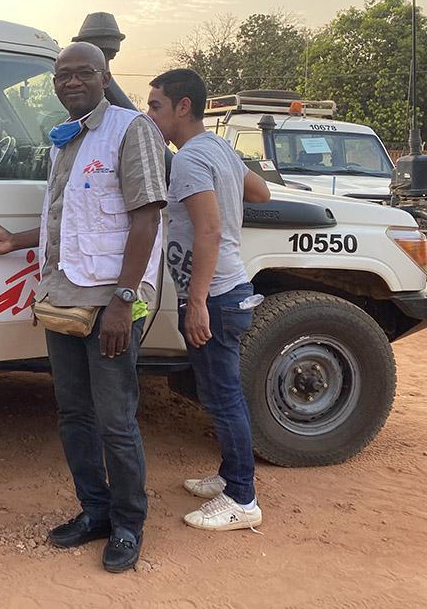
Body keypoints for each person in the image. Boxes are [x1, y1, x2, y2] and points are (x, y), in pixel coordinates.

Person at [0, 42, 166, 573]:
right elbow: (69, 220)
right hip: (63, 295)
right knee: (74, 414)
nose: (71, 82)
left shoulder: (132, 130)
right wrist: (14, 241)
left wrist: (123, 302)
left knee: (115, 419)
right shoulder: (66, 140)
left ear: (106, 78)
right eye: (63, 75)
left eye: (84, 73)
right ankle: (95, 511)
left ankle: (129, 524)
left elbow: (147, 220)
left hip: (112, 298)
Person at [146, 68, 271, 531]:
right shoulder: (216, 149)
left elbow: (210, 230)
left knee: (223, 398)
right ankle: (229, 477)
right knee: (219, 394)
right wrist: (227, 190)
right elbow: (261, 190)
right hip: (226, 289)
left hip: (215, 296)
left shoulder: (191, 160)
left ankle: (242, 498)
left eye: (156, 104)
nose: (149, 112)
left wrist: (196, 302)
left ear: (183, 106)